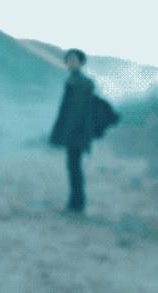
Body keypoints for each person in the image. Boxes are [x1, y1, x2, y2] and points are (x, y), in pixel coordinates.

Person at [49, 48, 95, 213]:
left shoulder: (83, 83)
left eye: (74, 59)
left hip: (77, 133)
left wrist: (68, 134)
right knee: (73, 167)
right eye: (69, 59)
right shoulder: (73, 81)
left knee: (74, 168)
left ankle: (76, 204)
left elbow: (78, 112)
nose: (71, 62)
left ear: (81, 62)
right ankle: (75, 203)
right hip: (74, 132)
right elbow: (66, 111)